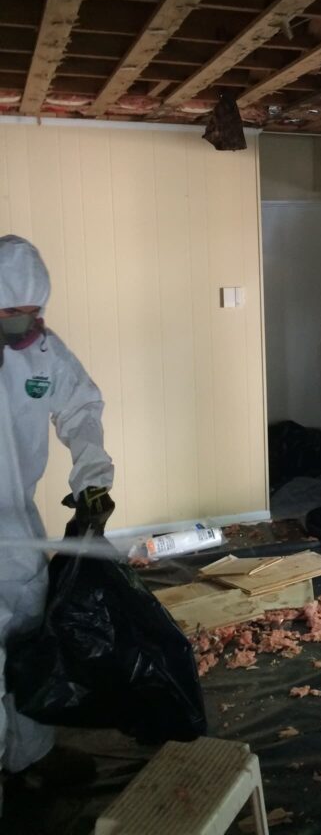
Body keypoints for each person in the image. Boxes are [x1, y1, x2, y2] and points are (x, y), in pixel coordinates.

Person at [0, 235, 115, 804]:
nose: (25, 323)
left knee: (26, 640)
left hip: (16, 527)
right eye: (11, 312)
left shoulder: (42, 353)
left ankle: (29, 756)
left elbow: (81, 407)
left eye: (33, 312)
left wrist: (92, 478)